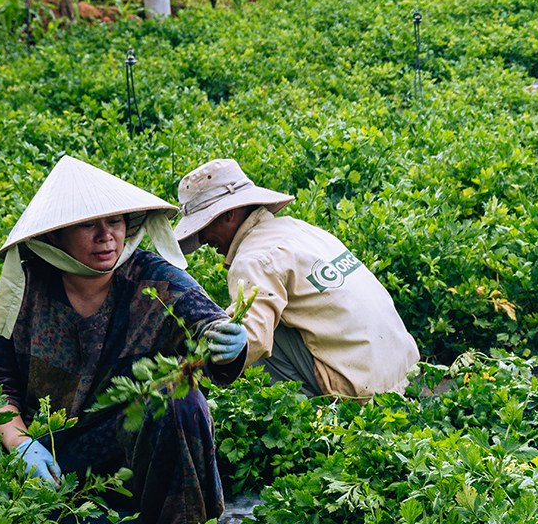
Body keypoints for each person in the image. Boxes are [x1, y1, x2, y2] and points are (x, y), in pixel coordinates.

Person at [0, 155, 249, 524]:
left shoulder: (153, 277)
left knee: (179, 398)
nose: (106, 236)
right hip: (47, 448)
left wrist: (229, 342)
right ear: (56, 235)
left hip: (127, 452)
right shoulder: (23, 286)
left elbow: (206, 324)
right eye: (87, 225)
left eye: (114, 223)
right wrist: (18, 441)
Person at [175, 158, 419, 399]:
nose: (204, 239)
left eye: (204, 227)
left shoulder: (253, 258)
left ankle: (309, 409)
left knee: (261, 340)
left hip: (360, 391)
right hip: (404, 371)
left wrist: (215, 357)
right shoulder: (300, 229)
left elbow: (254, 333)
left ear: (228, 215)